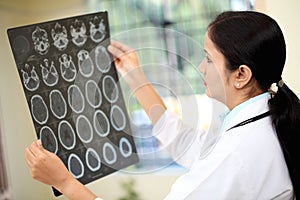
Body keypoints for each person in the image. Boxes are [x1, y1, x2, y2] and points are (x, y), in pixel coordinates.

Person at [25, 11, 300, 199]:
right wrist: (136, 78)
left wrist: (65, 183)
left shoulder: (236, 153)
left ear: (241, 74)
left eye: (208, 58)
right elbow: (188, 145)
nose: (201, 67)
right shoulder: (263, 119)